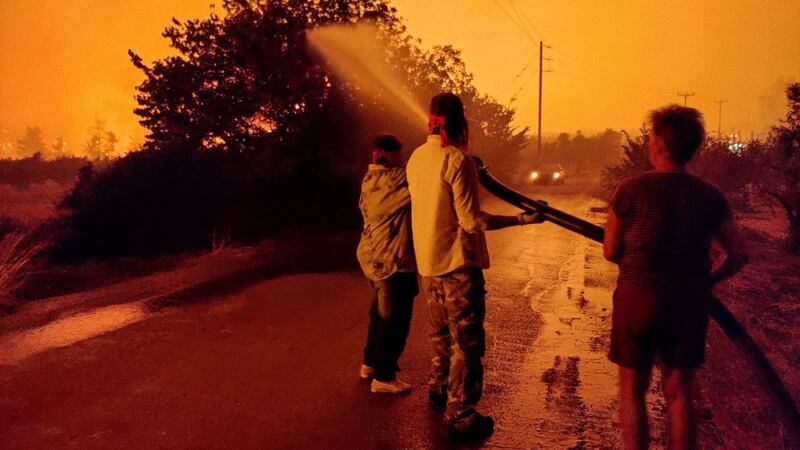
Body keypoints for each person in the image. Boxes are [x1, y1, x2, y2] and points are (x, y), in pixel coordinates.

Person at [603, 105, 749, 450]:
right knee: (680, 391)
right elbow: (739, 253)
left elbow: (610, 251)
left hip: (637, 297)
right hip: (688, 301)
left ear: (657, 145)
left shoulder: (629, 189)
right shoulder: (710, 195)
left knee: (632, 391)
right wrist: (707, 281)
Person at [406, 93, 543, 439]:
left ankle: (439, 389)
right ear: (461, 125)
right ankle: (462, 415)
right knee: (466, 343)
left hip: (429, 265)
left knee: (439, 333)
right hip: (458, 267)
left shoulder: (417, 157)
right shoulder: (455, 160)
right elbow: (473, 221)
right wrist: (523, 220)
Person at [357, 135, 419, 395]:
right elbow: (426, 180)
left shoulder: (369, 179)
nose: (402, 161)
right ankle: (384, 376)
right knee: (395, 319)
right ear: (384, 156)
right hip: (392, 260)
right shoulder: (394, 180)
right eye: (399, 156)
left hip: (373, 258)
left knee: (380, 314)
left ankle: (370, 363)